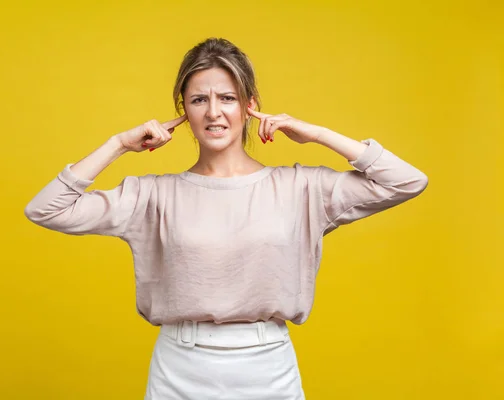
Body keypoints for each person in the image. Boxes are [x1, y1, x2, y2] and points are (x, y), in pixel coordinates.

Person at [24, 37, 428, 400]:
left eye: (228, 98)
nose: (214, 112)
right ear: (183, 109)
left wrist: (317, 134)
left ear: (250, 105)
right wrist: (117, 145)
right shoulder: (152, 196)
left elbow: (407, 182)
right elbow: (46, 209)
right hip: (179, 370)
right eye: (199, 100)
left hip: (268, 369)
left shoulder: (300, 189)